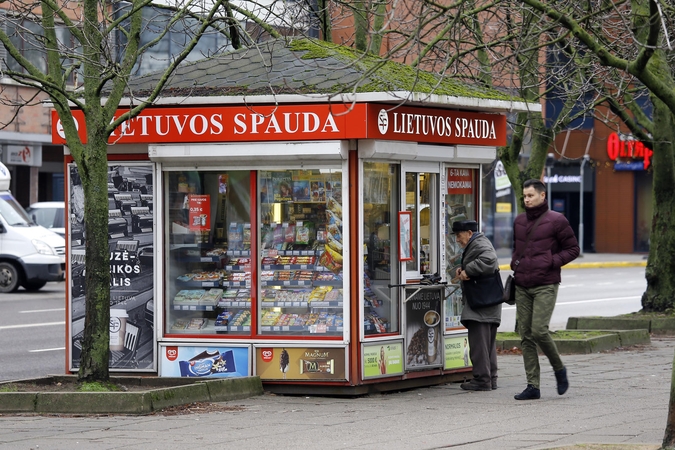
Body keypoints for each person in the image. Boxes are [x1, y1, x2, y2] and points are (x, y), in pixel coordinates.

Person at [511, 179, 580, 400]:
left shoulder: (557, 220)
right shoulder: (519, 221)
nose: (526, 200)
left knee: (539, 330)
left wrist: (551, 261)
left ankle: (559, 369)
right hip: (522, 284)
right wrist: (515, 262)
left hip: (546, 283)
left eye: (530, 196)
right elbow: (517, 248)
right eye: (524, 196)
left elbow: (573, 249)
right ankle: (533, 386)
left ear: (542, 196)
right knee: (525, 335)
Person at [453, 219, 501, 391]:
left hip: (481, 302)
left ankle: (482, 380)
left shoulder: (479, 243)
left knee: (479, 343)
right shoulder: (477, 243)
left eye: (459, 235)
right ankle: (490, 378)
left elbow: (489, 259)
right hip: (487, 301)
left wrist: (468, 270)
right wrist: (462, 268)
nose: (457, 239)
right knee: (487, 344)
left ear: (469, 233)